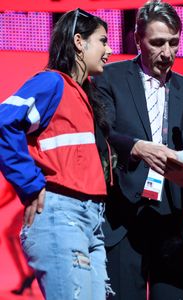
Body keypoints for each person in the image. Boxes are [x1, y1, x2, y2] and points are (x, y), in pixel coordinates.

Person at [93, 1, 183, 299]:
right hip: (123, 220)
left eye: (173, 43)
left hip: (171, 223)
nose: (167, 53)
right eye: (157, 43)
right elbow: (101, 133)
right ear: (137, 39)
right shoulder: (109, 77)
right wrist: (137, 147)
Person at [0, 8, 114, 300]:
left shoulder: (85, 94)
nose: (109, 50)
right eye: (102, 41)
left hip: (91, 223)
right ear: (79, 41)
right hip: (62, 216)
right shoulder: (52, 83)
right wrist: (29, 183)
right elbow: (3, 121)